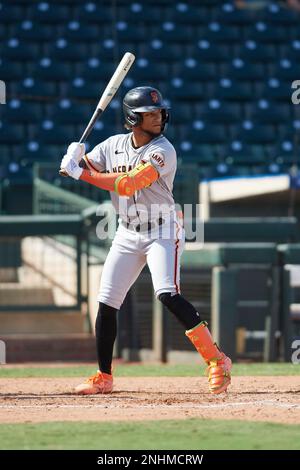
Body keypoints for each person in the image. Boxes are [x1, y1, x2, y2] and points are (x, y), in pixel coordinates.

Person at [60, 86, 232, 395]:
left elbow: (129, 183)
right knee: (107, 302)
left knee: (167, 293)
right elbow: (86, 166)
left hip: (162, 231)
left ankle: (217, 360)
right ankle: (104, 376)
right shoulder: (113, 145)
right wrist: (75, 158)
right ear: (131, 118)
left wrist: (78, 173)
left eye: (158, 112)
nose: (157, 117)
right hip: (127, 231)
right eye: (149, 114)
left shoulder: (163, 149)